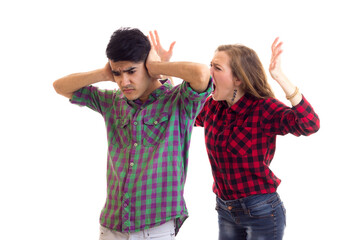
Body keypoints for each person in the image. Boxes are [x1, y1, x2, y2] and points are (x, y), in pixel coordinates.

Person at [53, 28, 212, 240]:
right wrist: (103, 73)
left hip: (155, 228)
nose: (123, 81)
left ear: (147, 66)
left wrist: (157, 66)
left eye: (131, 71)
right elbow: (60, 86)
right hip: (112, 227)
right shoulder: (112, 102)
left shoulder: (178, 102)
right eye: (117, 73)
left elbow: (202, 74)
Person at [194, 38, 320, 240]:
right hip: (225, 209)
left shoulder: (263, 108)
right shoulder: (213, 107)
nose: (209, 73)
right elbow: (181, 113)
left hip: (261, 211)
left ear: (238, 79)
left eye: (216, 68)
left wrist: (279, 77)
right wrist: (163, 73)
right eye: (210, 65)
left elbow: (309, 124)